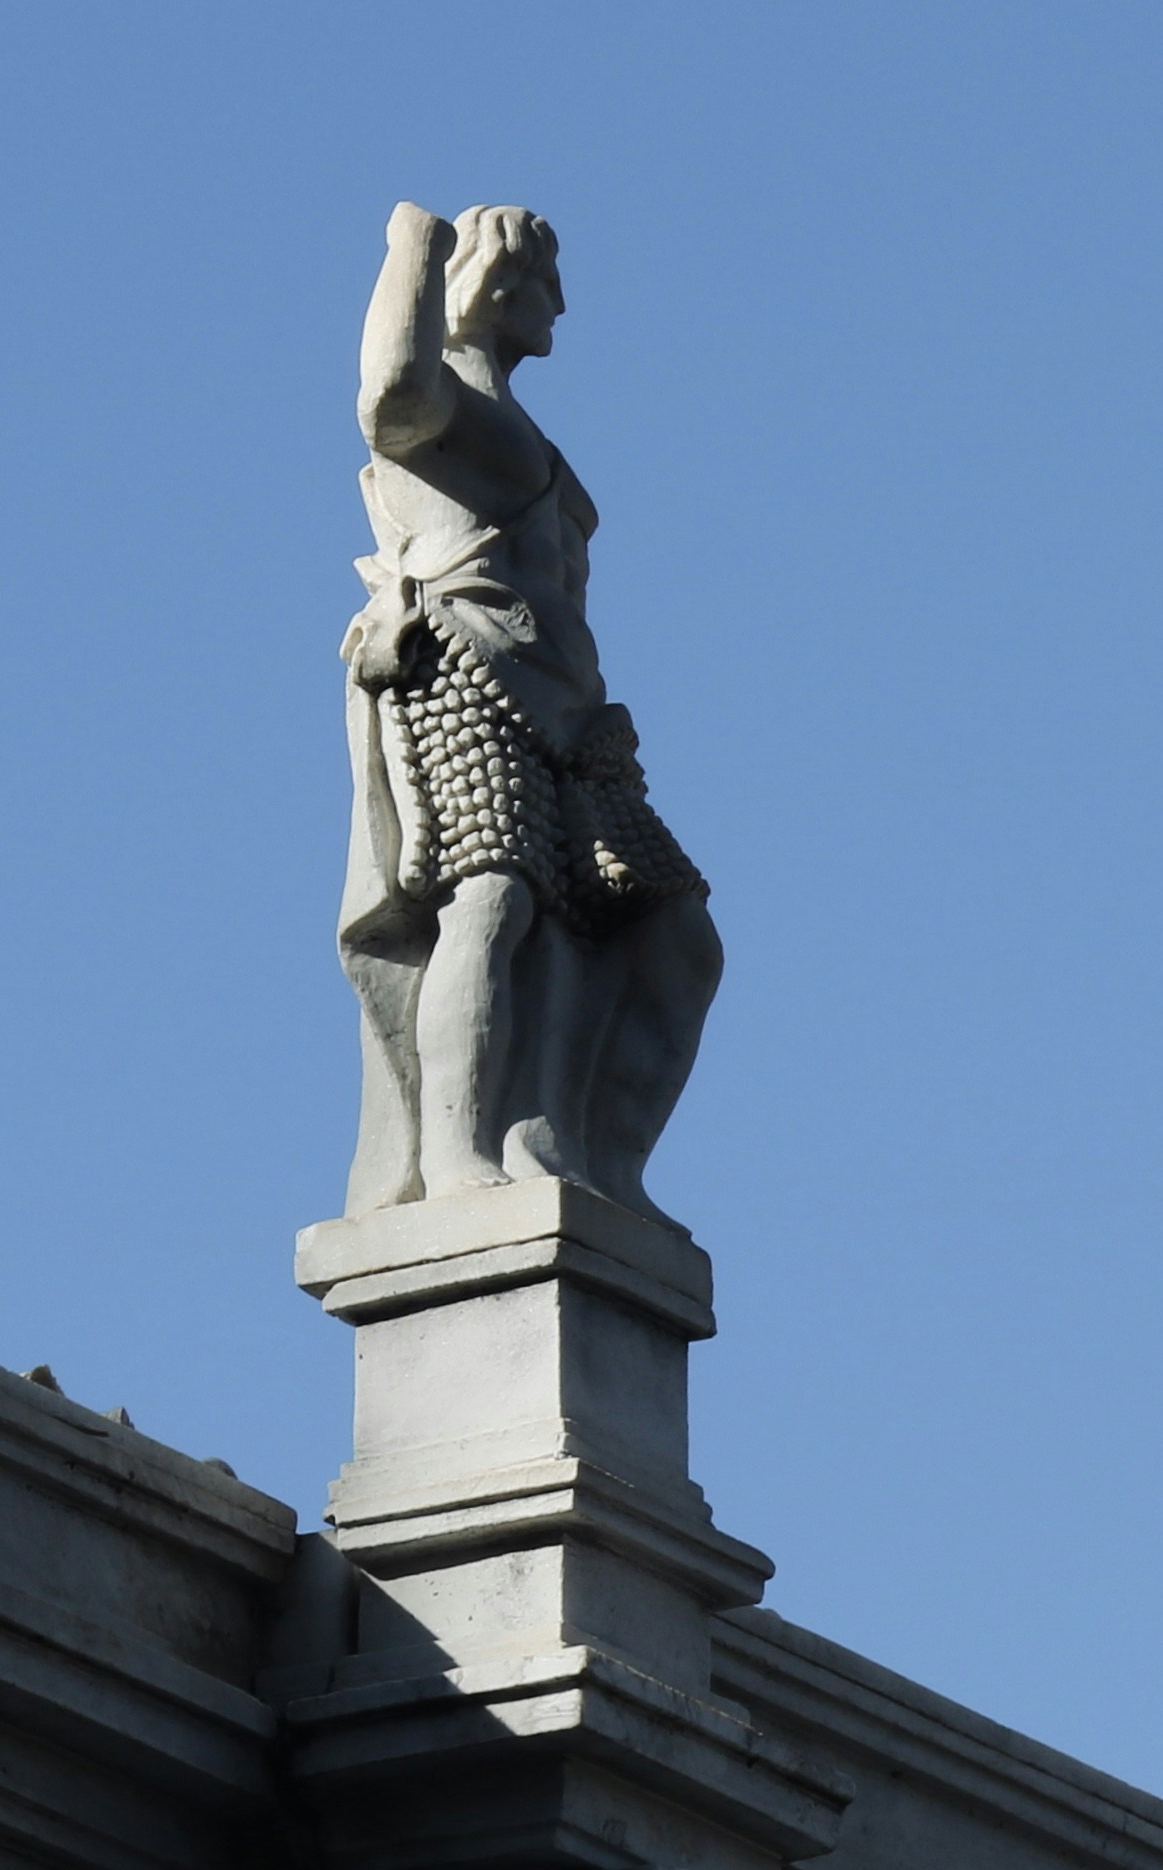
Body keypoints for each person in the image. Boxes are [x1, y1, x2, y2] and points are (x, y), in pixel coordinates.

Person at [335, 202, 722, 1215]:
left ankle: (598, 1163)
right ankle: (456, 1152)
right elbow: (388, 398)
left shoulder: (514, 419)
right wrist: (414, 248)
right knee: (492, 900)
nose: (561, 303)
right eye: (547, 281)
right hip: (464, 662)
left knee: (673, 936)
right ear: (498, 286)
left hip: (572, 712)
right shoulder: (448, 402)